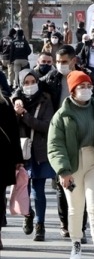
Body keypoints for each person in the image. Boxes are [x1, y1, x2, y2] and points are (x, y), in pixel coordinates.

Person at [47, 71, 94, 259]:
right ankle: (76, 243)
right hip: (72, 164)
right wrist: (63, 170)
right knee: (75, 207)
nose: (86, 90)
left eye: (88, 86)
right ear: (72, 91)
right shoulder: (62, 115)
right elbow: (55, 146)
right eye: (81, 87)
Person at [40, 45, 94, 240]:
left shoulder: (86, 77)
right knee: (61, 183)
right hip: (59, 133)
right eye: (58, 62)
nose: (60, 65)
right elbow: (29, 85)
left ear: (74, 60)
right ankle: (65, 223)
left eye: (64, 61)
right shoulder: (52, 78)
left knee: (80, 186)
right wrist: (17, 98)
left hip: (83, 137)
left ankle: (80, 228)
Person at [11, 70, 56, 241]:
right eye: (26, 82)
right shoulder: (16, 101)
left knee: (38, 190)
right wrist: (16, 112)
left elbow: (46, 125)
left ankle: (40, 224)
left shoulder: (45, 100)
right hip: (21, 152)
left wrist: (24, 115)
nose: (30, 85)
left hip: (39, 151)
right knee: (24, 188)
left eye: (32, 81)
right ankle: (28, 215)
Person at [0, 92, 22, 250]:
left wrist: (18, 159)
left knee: (0, 199)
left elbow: (14, 132)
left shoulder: (5, 103)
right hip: (5, 158)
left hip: (3, 157)